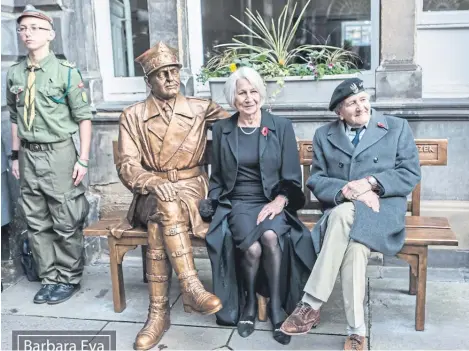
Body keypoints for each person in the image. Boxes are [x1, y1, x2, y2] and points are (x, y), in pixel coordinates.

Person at [280, 78, 421, 350]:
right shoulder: (325, 135)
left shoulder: (396, 127)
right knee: (354, 247)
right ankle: (357, 331)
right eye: (351, 103)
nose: (360, 107)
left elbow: (409, 173)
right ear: (339, 112)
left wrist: (370, 184)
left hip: (381, 209)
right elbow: (317, 180)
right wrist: (349, 190)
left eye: (363, 99)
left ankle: (310, 304)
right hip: (341, 213)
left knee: (345, 215)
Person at [116, 41, 230, 351]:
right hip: (151, 193)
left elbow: (238, 126)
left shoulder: (199, 107)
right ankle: (191, 286)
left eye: (174, 71)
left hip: (193, 190)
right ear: (148, 81)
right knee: (164, 205)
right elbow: (126, 165)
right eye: (162, 73)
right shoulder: (133, 115)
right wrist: (151, 181)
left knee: (161, 220)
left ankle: (158, 314)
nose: (170, 78)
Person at [200, 67, 316, 345]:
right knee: (251, 247)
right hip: (238, 201)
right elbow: (217, 178)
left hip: (273, 201)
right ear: (233, 98)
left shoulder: (281, 127)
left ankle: (276, 308)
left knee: (270, 235)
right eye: (242, 93)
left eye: (253, 91)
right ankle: (249, 305)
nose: (249, 98)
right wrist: (213, 202)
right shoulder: (223, 129)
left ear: (261, 94)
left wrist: (280, 200)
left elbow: (291, 176)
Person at [6, 5, 92, 304]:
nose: (27, 33)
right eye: (23, 29)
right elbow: (15, 118)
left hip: (59, 153)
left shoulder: (66, 72)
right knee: (36, 219)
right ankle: (49, 277)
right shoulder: (15, 72)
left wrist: (83, 158)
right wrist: (15, 156)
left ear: (50, 34)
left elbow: (83, 117)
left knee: (65, 217)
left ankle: (69, 278)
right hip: (29, 155)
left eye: (34, 28)